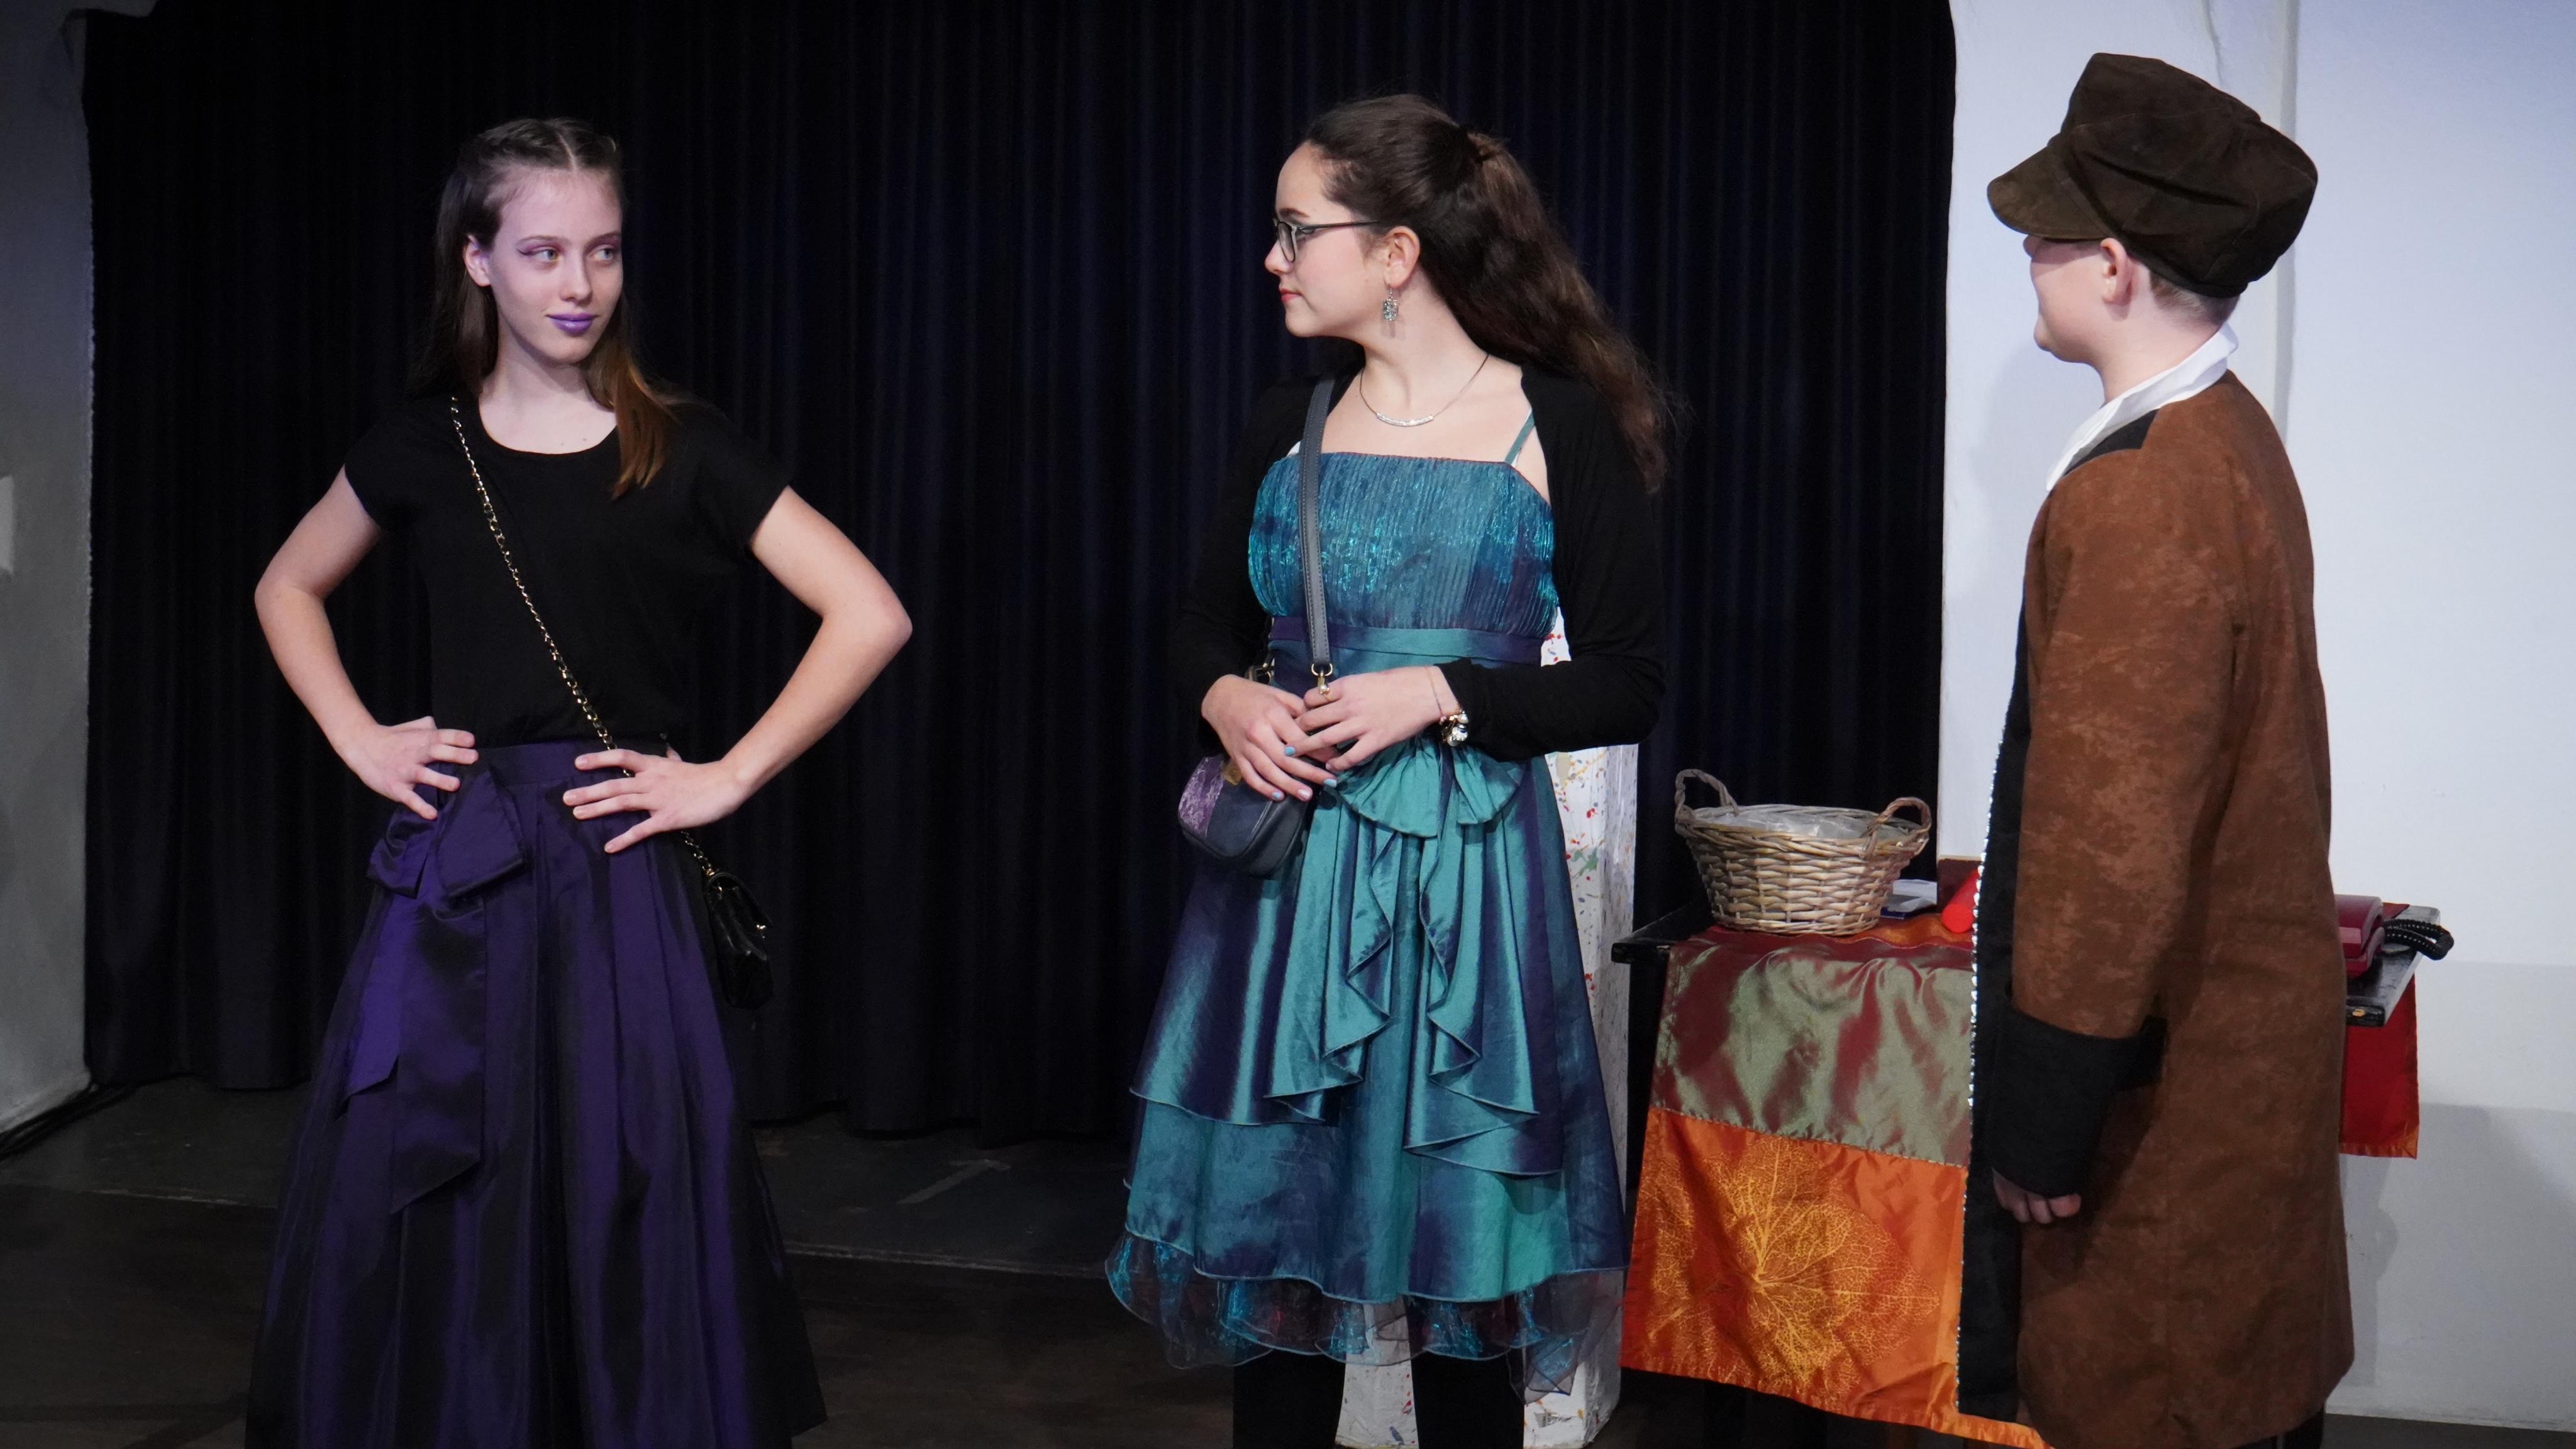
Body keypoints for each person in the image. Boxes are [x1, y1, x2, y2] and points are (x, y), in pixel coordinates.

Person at [244, 117, 910, 1448]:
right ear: (476, 258)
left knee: (626, 1173)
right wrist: (359, 736)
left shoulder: (684, 446)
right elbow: (286, 585)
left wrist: (726, 777)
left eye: (602, 251)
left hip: (612, 871)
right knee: (441, 1165)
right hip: (463, 870)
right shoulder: (420, 447)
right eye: (543, 252)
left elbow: (870, 613)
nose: (578, 283)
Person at [1107, 95, 1665, 1448]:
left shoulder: (1558, 426)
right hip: (1288, 894)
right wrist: (1226, 695)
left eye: (1297, 229)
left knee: (1463, 1267)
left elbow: (1629, 678)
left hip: (1467, 897)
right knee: (1278, 1255)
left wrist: (1441, 691)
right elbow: (1198, 622)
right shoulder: (1286, 420)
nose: (1273, 257)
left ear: (1398, 252)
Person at [1972, 55, 2346, 1449]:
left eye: (2048, 234)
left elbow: (2109, 851)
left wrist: (2045, 1119)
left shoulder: (2144, 493)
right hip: (2227, 1052)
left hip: (2169, 1090)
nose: (2030, 255)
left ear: (2115, 267)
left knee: (2155, 1404)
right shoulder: (2225, 438)